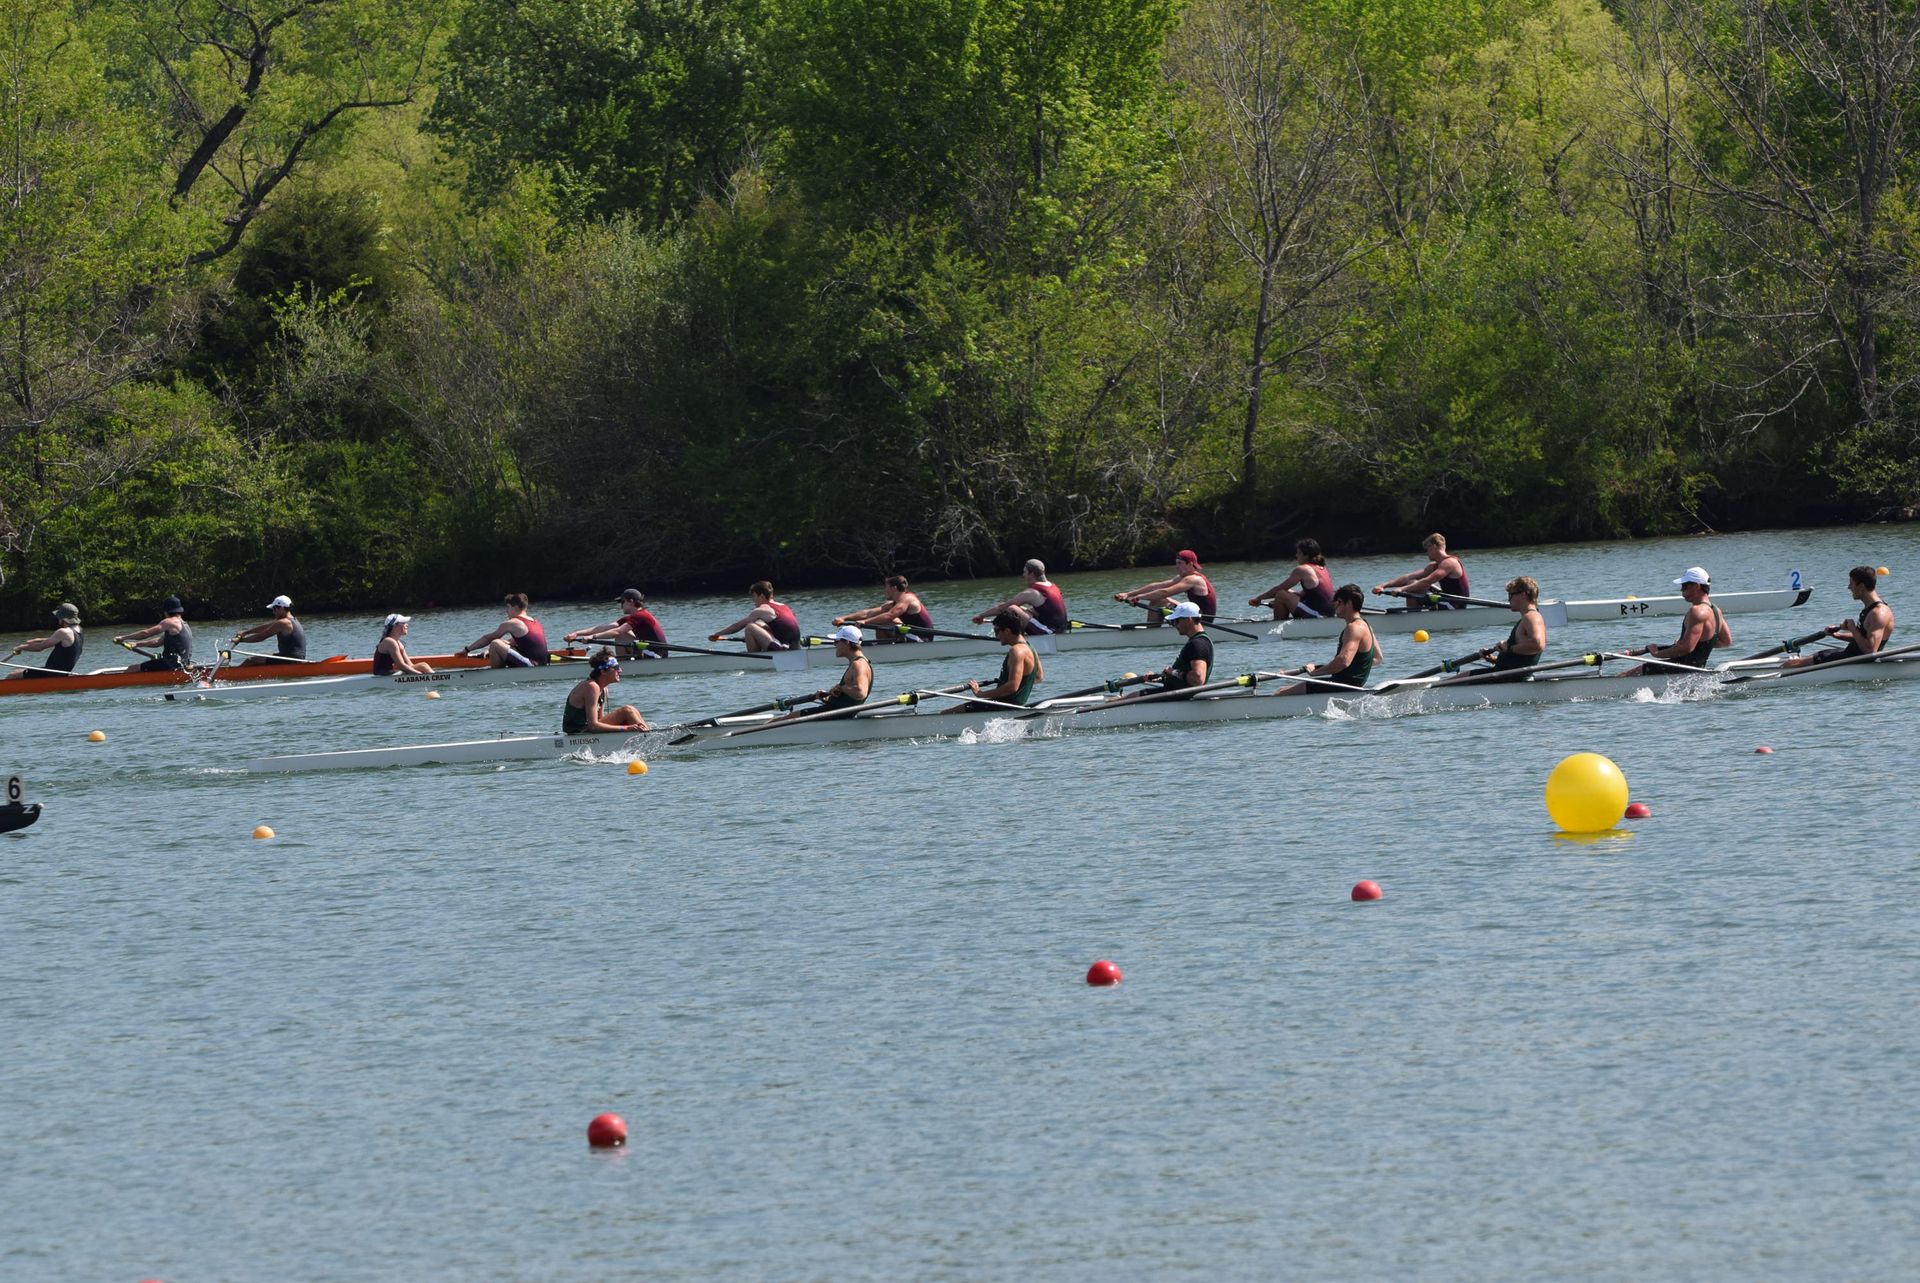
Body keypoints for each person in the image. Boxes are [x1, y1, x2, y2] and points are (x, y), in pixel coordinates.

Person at [1622, 566, 1731, 674]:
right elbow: (1725, 642)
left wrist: (1656, 653)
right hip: (1697, 669)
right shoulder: (1717, 611)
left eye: (1684, 586)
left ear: (1696, 586)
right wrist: (1699, 645)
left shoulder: (1697, 611)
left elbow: (1686, 648)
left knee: (1627, 675)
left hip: (1682, 669)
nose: (1681, 590)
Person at [1275, 584, 1381, 694]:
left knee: (1281, 692)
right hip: (1352, 685)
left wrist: (1315, 672)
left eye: (1338, 602)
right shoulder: (1366, 626)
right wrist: (1327, 667)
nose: (1334, 605)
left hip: (1342, 685)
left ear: (1349, 603)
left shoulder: (1353, 628)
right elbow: (1377, 658)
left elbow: (1343, 661)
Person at [1782, 566, 1894, 668]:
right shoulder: (1870, 608)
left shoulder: (1879, 613)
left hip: (1857, 661)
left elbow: (1870, 651)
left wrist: (1853, 628)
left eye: (1851, 583)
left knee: (1792, 664)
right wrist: (1837, 635)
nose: (1849, 587)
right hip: (1849, 654)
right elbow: (1863, 637)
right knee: (1817, 654)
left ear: (1861, 586)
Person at [963, 610, 1045, 709]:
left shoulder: (1016, 651)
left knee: (946, 713)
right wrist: (1005, 681)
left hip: (1004, 705)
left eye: (997, 631)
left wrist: (980, 694)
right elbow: (1038, 677)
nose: (996, 636)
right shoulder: (1031, 648)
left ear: (1007, 631)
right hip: (1015, 705)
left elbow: (1012, 687)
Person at [1114, 549, 1218, 622]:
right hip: (1194, 614)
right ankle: (1152, 631)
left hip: (1203, 619)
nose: (1176, 567)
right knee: (1158, 600)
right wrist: (1129, 594)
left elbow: (1164, 592)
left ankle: (1150, 633)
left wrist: (1138, 598)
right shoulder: (1184, 576)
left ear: (1190, 564)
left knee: (1158, 600)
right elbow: (1158, 586)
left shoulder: (1193, 579)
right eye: (1176, 563)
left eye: (1179, 563)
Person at [972, 558, 1070, 635]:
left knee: (1012, 608)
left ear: (1031, 574)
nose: (1023, 575)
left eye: (1024, 572)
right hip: (1060, 629)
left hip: (1049, 632)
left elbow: (1001, 608)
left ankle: (1017, 639)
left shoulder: (1031, 593)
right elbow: (1050, 611)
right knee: (1020, 608)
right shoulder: (1053, 586)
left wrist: (981, 616)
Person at [1472, 576, 1547, 675]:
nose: (1508, 599)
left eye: (1511, 595)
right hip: (1507, 674)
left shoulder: (1532, 617)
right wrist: (1494, 659)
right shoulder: (1528, 617)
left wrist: (1509, 648)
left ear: (1523, 595)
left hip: (1508, 678)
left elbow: (1537, 645)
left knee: (1449, 683)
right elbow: (1520, 659)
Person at [1373, 533, 1470, 608]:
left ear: (1434, 547)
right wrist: (1383, 586)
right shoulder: (1434, 566)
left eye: (1427, 550)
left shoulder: (1449, 563)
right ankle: (1414, 615)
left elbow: (1428, 580)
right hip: (1446, 600)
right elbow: (1409, 577)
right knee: (1412, 582)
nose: (1426, 553)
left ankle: (1412, 618)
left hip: (1456, 605)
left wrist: (1402, 589)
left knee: (1415, 586)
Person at [567, 589, 668, 659]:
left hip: (657, 655)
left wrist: (592, 637)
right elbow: (605, 627)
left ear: (631, 601)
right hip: (647, 650)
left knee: (620, 634)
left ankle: (621, 666)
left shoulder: (640, 616)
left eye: (622, 602)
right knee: (622, 635)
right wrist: (576, 634)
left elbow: (617, 631)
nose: (621, 606)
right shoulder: (632, 617)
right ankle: (623, 664)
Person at [563, 651, 649, 733]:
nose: (620, 670)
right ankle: (648, 736)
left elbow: (600, 721)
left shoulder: (604, 689)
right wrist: (626, 728)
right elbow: (593, 726)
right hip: (578, 732)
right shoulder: (591, 687)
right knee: (627, 711)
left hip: (588, 729)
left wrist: (625, 726)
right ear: (603, 671)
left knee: (633, 710)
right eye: (616, 667)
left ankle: (647, 732)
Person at [1249, 539, 1336, 619]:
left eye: (1299, 553)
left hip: (1318, 615)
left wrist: (1259, 599)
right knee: (1287, 592)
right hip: (1328, 613)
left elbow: (1279, 589)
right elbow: (1306, 595)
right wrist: (1278, 603)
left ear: (1306, 555)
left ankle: (1276, 628)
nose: (1296, 555)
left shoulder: (1302, 569)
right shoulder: (1322, 568)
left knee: (1281, 594)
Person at [834, 575, 935, 642]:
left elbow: (889, 616)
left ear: (893, 588)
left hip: (923, 638)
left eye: (886, 587)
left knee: (882, 621)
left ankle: (883, 650)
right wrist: (844, 618)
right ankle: (885, 648)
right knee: (880, 619)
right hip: (912, 634)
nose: (884, 590)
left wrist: (865, 622)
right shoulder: (894, 603)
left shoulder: (907, 599)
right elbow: (869, 612)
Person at [709, 581, 801, 652]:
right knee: (759, 624)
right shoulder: (784, 606)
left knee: (750, 627)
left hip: (780, 648)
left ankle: (753, 658)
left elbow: (736, 627)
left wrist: (717, 634)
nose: (753, 600)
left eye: (753, 596)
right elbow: (784, 627)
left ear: (760, 595)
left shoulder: (762, 609)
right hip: (795, 647)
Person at [469, 592, 550, 667]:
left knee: (495, 643)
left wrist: (467, 649)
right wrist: (489, 650)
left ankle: (496, 677)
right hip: (543, 663)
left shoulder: (513, 623)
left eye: (508, 607)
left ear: (516, 607)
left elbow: (488, 638)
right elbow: (511, 642)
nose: (506, 611)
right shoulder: (535, 622)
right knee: (498, 644)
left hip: (532, 665)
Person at [113, 597, 194, 672]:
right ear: (180, 611)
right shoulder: (184, 624)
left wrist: (123, 637)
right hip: (183, 664)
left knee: (132, 669)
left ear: (166, 611)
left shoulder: (169, 621)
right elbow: (158, 641)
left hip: (171, 664)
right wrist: (136, 644)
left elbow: (145, 634)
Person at [5, 603, 83, 678]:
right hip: (62, 672)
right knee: (19, 671)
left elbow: (39, 648)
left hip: (53, 673)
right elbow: (56, 640)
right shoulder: (78, 630)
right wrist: (38, 640)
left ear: (63, 618)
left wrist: (21, 647)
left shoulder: (63, 631)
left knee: (13, 675)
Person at [1151, 601, 1213, 690]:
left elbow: (1198, 679)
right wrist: (1157, 678)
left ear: (1188, 620)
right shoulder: (1198, 641)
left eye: (1176, 621)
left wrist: (1173, 672)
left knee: (1129, 698)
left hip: (1181, 696)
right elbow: (1184, 677)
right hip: (1177, 692)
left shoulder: (1198, 644)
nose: (1174, 625)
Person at [811, 625, 874, 711]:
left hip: (838, 714)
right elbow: (849, 698)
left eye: (836, 641)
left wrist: (841, 687)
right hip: (838, 711)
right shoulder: (858, 663)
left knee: (790, 718)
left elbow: (860, 692)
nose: (834, 645)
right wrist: (827, 695)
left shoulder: (859, 664)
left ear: (846, 642)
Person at [230, 594, 307, 664]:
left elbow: (261, 636)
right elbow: (266, 627)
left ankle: (233, 677)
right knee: (261, 656)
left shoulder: (284, 623)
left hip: (291, 659)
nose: (273, 612)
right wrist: (246, 632)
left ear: (281, 608)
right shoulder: (290, 620)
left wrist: (241, 640)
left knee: (250, 660)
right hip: (293, 657)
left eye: (274, 609)